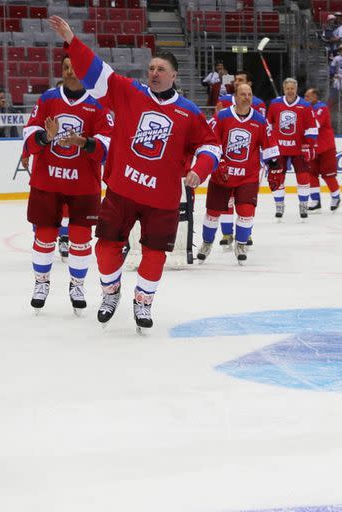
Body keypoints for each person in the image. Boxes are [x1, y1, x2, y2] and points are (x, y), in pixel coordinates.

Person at [49, 16, 221, 331]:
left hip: (163, 199)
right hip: (122, 190)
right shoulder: (129, 92)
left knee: (154, 256)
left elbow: (212, 146)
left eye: (161, 70)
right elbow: (98, 73)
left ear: (174, 76)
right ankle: (111, 291)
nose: (154, 73)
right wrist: (72, 41)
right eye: (152, 68)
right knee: (104, 248)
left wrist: (199, 169)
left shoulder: (189, 112)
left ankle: (143, 300)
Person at [22, 55, 112, 314]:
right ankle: (41, 283)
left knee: (81, 239)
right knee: (45, 236)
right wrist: (44, 137)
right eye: (65, 68)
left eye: (75, 68)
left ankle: (78, 285)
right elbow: (29, 134)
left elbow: (107, 145)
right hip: (47, 181)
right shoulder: (48, 98)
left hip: (84, 185)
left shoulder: (98, 103)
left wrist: (84, 143)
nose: (70, 72)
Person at [197, 83, 279, 265]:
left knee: (246, 210)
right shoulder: (222, 117)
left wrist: (274, 164)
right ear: (235, 97)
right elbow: (211, 140)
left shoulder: (259, 120)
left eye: (249, 94)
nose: (246, 97)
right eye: (243, 94)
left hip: (247, 175)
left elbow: (268, 143)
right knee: (212, 212)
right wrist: (218, 161)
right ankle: (207, 242)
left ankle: (241, 244)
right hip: (222, 174)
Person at [213, 70, 267, 247]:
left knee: (246, 202)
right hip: (228, 162)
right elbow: (216, 128)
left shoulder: (258, 104)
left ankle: (246, 233)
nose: (237, 82)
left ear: (249, 83)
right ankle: (227, 233)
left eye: (241, 80)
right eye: (236, 80)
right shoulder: (225, 100)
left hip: (250, 163)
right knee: (226, 200)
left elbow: (263, 130)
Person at [266, 77, 318, 219]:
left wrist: (309, 145)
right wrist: (269, 145)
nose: (290, 91)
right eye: (288, 88)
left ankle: (303, 206)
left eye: (292, 88)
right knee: (277, 177)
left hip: (299, 149)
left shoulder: (305, 105)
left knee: (303, 178)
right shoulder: (275, 104)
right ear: (284, 89)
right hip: (279, 149)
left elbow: (311, 128)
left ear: (296, 89)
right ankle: (279, 206)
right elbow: (268, 126)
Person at [304, 88, 342, 212]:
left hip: (326, 148)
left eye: (307, 96)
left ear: (315, 96)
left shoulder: (322, 108)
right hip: (312, 148)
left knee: (328, 175)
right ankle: (315, 201)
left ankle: (336, 197)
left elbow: (315, 125)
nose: (305, 99)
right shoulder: (306, 109)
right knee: (311, 174)